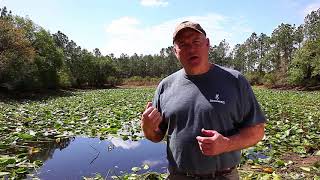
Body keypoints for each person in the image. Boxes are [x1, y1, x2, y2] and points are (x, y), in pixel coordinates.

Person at [141, 21, 266, 180]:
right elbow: (156, 136)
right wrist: (148, 128)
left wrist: (226, 144)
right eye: (183, 44)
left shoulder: (235, 81)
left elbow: (257, 131)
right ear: (175, 51)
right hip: (178, 176)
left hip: (223, 176)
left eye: (196, 42)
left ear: (207, 44)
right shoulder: (165, 86)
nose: (191, 48)